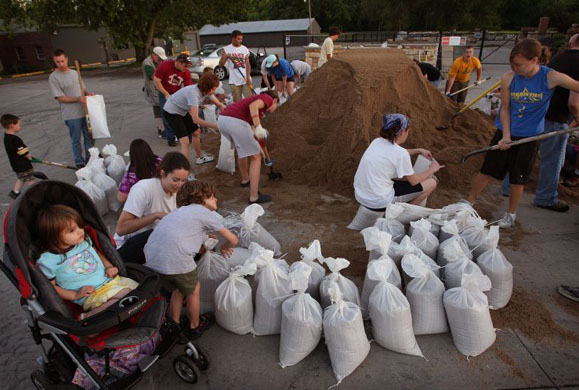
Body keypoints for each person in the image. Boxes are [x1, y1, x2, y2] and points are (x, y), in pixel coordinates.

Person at [464, 38, 579, 228]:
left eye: (519, 64)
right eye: (512, 64)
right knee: (487, 169)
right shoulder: (509, 77)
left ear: (534, 60)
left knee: (518, 176)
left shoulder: (549, 77)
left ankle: (510, 214)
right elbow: (505, 109)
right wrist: (507, 135)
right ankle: (468, 202)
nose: (515, 68)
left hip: (530, 136)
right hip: (506, 130)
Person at [144, 181, 238, 339]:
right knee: (193, 288)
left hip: (152, 258)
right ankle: (195, 325)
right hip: (176, 260)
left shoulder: (178, 212)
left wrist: (206, 239)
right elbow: (233, 239)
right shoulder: (205, 213)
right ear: (201, 199)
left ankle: (174, 325)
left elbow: (185, 233)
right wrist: (225, 246)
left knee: (178, 287)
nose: (216, 200)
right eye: (212, 196)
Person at [501, 34, 579, 212]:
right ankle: (545, 197)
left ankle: (507, 189)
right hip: (556, 117)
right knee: (550, 160)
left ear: (571, 43)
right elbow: (574, 102)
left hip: (534, 115)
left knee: (520, 154)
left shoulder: (559, 59)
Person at [36, 204, 138, 318]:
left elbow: (97, 253)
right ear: (54, 236)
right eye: (72, 230)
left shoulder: (83, 241)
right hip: (92, 294)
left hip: (112, 282)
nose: (80, 231)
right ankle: (90, 316)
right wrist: (75, 295)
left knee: (137, 290)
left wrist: (109, 266)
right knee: (127, 295)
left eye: (80, 226)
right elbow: (51, 288)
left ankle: (104, 316)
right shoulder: (48, 260)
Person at [353, 114, 442, 212]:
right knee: (432, 182)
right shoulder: (400, 153)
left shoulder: (377, 142)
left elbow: (395, 154)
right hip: (379, 202)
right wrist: (432, 169)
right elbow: (414, 181)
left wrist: (418, 150)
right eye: (407, 131)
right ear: (403, 132)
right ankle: (402, 214)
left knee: (399, 177)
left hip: (361, 196)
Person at [114, 152, 190, 264]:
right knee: (161, 235)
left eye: (183, 181)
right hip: (127, 248)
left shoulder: (179, 192)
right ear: (163, 173)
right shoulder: (144, 188)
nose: (179, 185)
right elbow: (121, 229)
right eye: (175, 180)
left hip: (156, 243)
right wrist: (155, 215)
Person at [217, 90, 279, 204]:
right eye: (276, 105)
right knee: (256, 157)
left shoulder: (256, 109)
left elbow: (250, 130)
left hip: (223, 120)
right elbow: (253, 106)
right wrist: (258, 126)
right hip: (235, 121)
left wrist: (261, 148)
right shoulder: (268, 98)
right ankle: (254, 197)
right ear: (275, 100)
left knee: (244, 151)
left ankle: (245, 180)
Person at [163, 73, 224, 164]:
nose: (214, 91)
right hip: (171, 112)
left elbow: (215, 100)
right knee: (185, 142)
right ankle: (184, 172)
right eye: (214, 89)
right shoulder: (193, 94)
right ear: (207, 88)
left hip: (182, 110)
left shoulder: (204, 90)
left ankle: (199, 158)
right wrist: (215, 126)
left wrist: (223, 108)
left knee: (196, 132)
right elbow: (195, 119)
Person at [48, 49, 94, 169]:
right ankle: (79, 162)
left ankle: (90, 159)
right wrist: (78, 99)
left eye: (62, 61)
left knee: (89, 137)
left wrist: (88, 94)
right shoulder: (53, 77)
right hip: (71, 115)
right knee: (76, 140)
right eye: (58, 62)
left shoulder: (74, 73)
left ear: (67, 59)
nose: (61, 64)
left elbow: (83, 89)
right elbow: (60, 97)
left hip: (85, 111)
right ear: (54, 61)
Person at [154, 53, 193, 147]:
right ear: (179, 62)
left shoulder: (186, 72)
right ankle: (170, 137)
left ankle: (186, 134)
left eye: (187, 66)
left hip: (177, 93)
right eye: (185, 65)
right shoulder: (165, 65)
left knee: (181, 113)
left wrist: (189, 102)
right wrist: (166, 94)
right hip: (164, 91)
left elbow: (188, 88)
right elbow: (156, 81)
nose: (186, 68)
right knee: (166, 114)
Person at [2, 114, 36, 199]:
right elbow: (22, 152)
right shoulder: (15, 139)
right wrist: (28, 156)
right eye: (18, 125)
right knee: (30, 179)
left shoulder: (6, 138)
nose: (20, 127)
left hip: (15, 164)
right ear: (12, 125)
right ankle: (35, 193)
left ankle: (15, 192)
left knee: (22, 177)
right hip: (23, 165)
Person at [117, 139, 162, 203]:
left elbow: (120, 198)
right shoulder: (162, 161)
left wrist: (121, 185)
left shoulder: (130, 175)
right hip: (164, 198)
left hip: (146, 205)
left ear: (132, 155)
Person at [219, 30, 252, 102]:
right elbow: (220, 64)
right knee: (237, 102)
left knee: (250, 99)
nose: (240, 41)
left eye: (241, 39)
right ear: (233, 39)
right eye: (238, 39)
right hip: (234, 80)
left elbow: (247, 64)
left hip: (245, 78)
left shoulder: (244, 49)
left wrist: (248, 77)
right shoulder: (227, 49)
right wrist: (226, 56)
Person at [142, 46, 167, 138]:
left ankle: (162, 128)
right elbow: (153, 77)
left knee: (161, 107)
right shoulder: (147, 63)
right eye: (158, 57)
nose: (160, 60)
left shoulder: (160, 61)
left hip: (161, 87)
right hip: (154, 89)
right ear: (153, 55)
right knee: (158, 107)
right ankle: (162, 128)